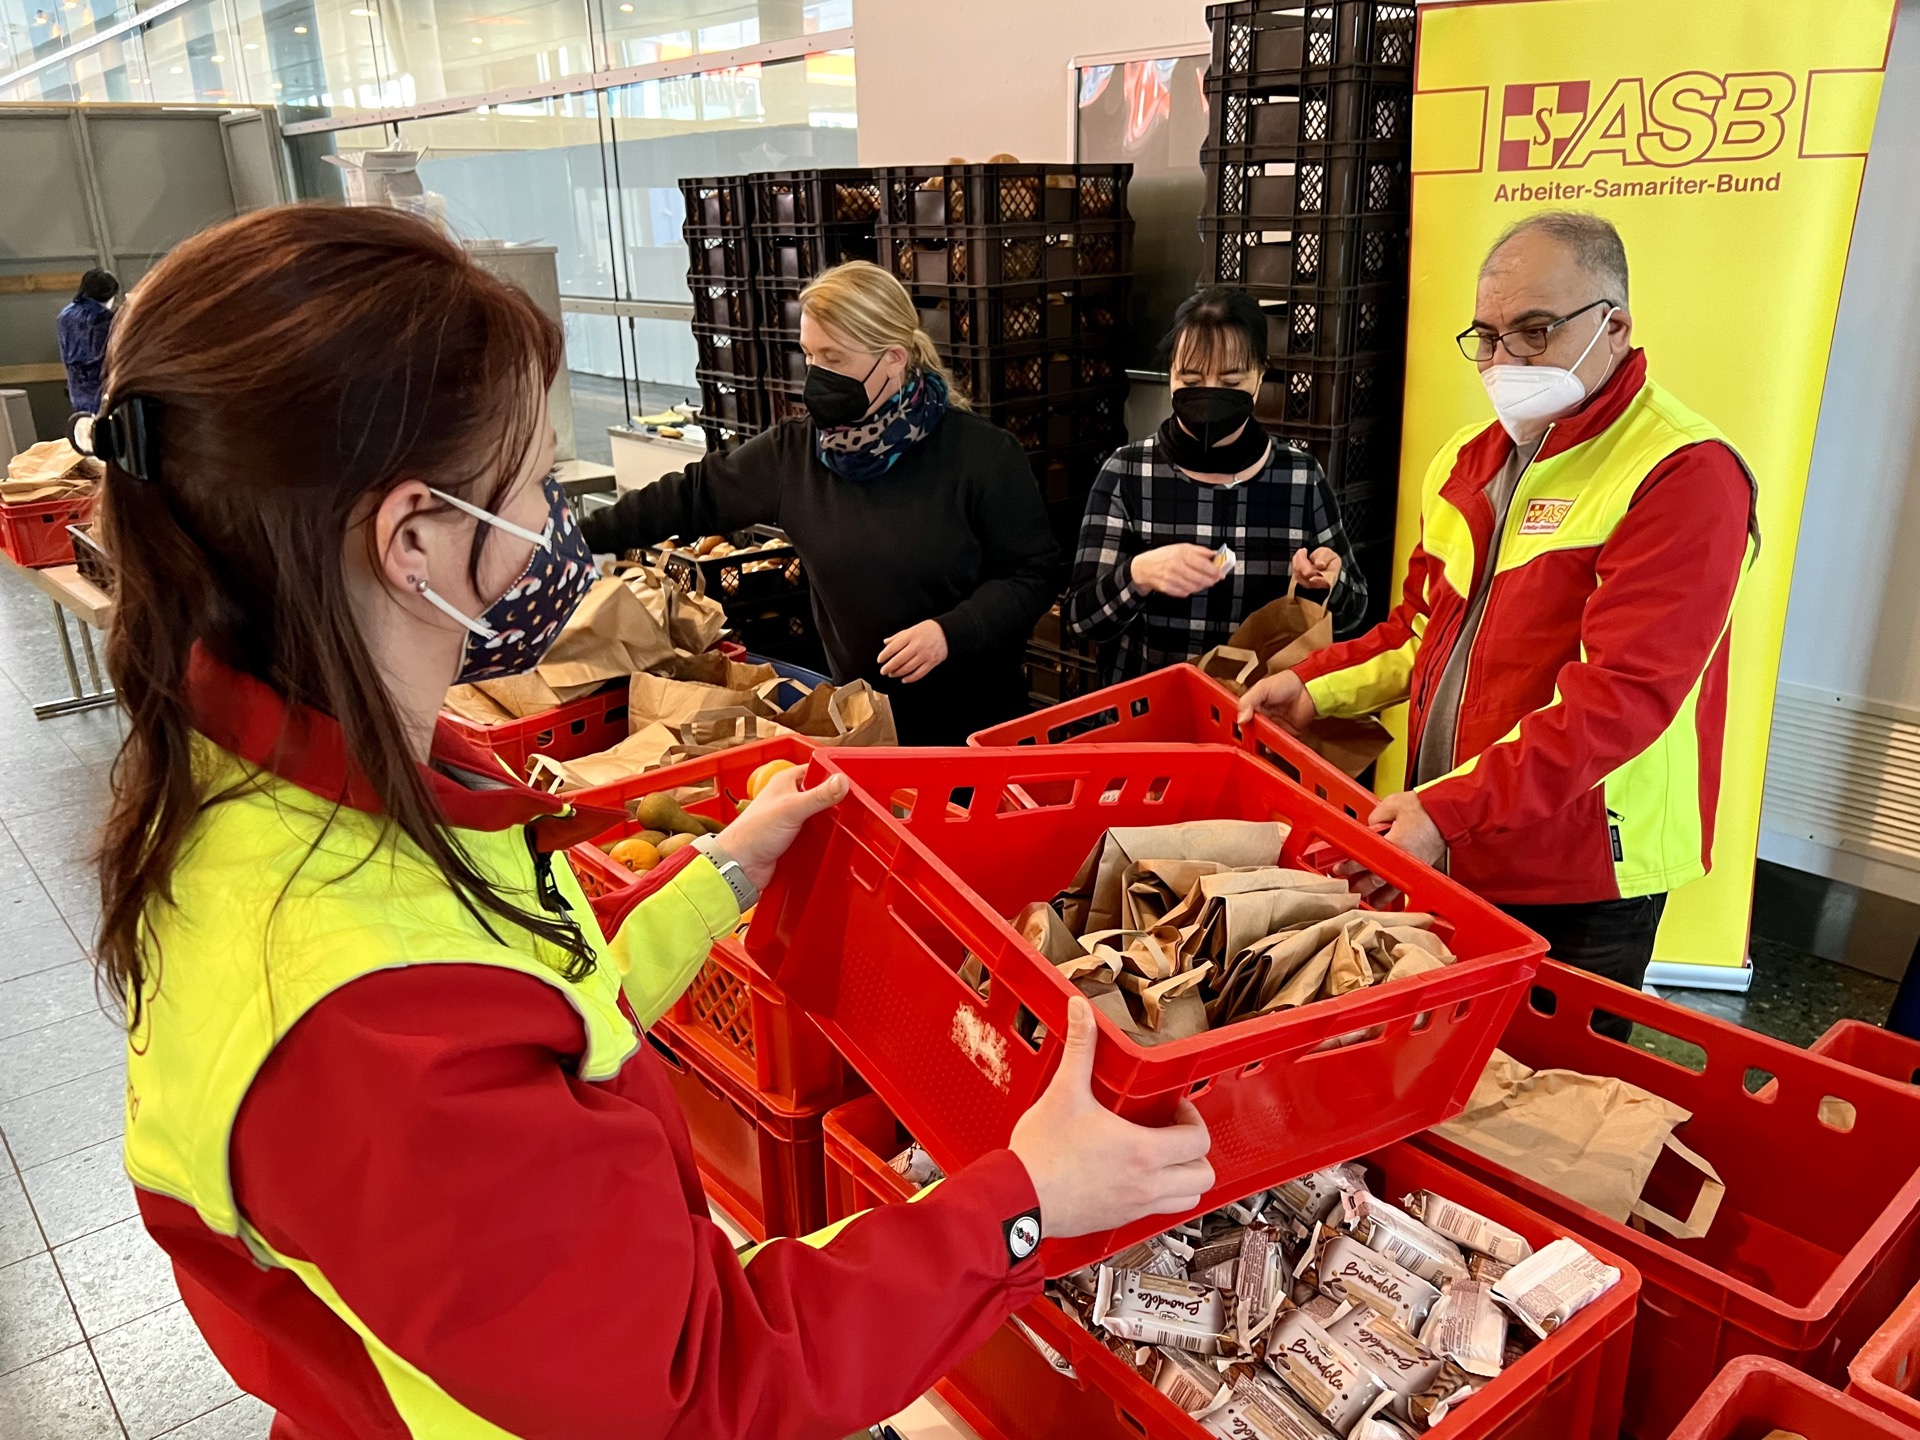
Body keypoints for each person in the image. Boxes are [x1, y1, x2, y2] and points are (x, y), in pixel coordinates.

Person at [90, 205, 1212, 1439]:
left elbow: (538, 1009)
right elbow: (697, 1388)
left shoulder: (294, 785)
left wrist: (721, 875)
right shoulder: (361, 1022)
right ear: (412, 538)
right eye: (531, 484)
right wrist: (1025, 1203)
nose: (555, 523)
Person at [1241, 211, 1758, 1036]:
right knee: (1445, 1076)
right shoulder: (1466, 460)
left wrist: (1448, 811)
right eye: (1486, 335)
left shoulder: (1682, 473)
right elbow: (1421, 634)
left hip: (1580, 864)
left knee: (1555, 1102)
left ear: (1614, 326)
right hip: (1453, 833)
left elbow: (1621, 698)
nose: (1503, 360)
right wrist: (1310, 688)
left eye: (1534, 331)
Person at [582, 261, 1056, 745]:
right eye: (809, 356)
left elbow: (1033, 573)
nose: (816, 375)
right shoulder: (794, 455)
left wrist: (952, 631)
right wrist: (570, 535)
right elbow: (692, 495)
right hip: (863, 726)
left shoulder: (981, 456)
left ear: (894, 358)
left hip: (978, 731)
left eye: (834, 358)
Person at [1062, 287, 1367, 684]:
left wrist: (1327, 584)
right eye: (1190, 378)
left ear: (1260, 375)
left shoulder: (1300, 478)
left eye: (1230, 380)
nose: (1209, 393)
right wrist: (1138, 575)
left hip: (1255, 719)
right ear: (1171, 374)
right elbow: (1078, 623)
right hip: (1149, 720)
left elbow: (1355, 612)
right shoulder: (1127, 473)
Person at [58, 267, 117, 415]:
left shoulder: (65, 315)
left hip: (76, 390)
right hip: (104, 391)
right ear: (108, 294)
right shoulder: (104, 318)